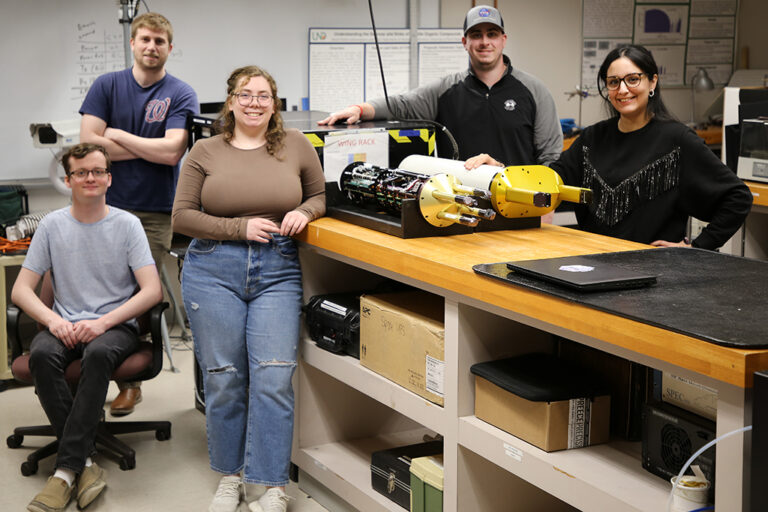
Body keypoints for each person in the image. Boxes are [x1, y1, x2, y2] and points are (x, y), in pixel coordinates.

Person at [172, 65, 325, 512]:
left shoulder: (296, 145)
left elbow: (318, 195)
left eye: (264, 95)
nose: (255, 102)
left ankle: (273, 486)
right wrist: (239, 227)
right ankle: (231, 477)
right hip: (213, 269)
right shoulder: (204, 150)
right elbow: (181, 216)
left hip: (277, 269)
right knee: (224, 380)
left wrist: (307, 213)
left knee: (274, 377)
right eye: (246, 94)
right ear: (232, 101)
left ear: (274, 103)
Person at [473, 44, 752, 249]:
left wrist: (695, 248)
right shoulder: (591, 139)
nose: (623, 90)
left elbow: (738, 198)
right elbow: (550, 179)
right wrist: (502, 171)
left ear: (653, 81)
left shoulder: (677, 140)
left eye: (633, 79)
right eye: (613, 82)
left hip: (652, 274)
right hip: (591, 264)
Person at [12, 143, 162, 512]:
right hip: (64, 323)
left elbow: (152, 289)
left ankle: (64, 472)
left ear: (109, 179)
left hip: (113, 326)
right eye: (81, 172)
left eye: (97, 171)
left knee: (97, 353)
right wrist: (53, 321)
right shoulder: (51, 226)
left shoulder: (127, 225)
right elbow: (20, 290)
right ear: (68, 180)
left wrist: (104, 322)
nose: (90, 178)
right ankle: (87, 461)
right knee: (43, 353)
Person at [79, 12, 198, 415]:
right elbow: (88, 146)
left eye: (159, 41)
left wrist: (116, 136)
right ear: (132, 43)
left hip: (154, 211)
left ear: (169, 47)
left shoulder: (180, 93)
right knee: (97, 290)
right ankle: (93, 375)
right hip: (103, 208)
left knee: (137, 295)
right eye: (145, 39)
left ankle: (129, 382)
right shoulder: (106, 86)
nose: (151, 46)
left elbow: (172, 152)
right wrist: (149, 147)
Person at [318, 5, 563, 167]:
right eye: (476, 35)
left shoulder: (534, 91)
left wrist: (545, 207)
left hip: (518, 207)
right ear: (464, 42)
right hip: (459, 209)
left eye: (492, 34)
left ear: (503, 40)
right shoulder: (445, 90)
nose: (484, 41)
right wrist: (360, 109)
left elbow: (550, 158)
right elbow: (402, 105)